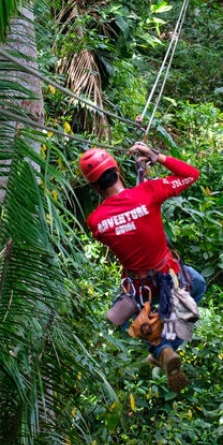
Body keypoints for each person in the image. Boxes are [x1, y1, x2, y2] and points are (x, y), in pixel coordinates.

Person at [80, 141, 206, 392]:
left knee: (124, 319)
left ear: (94, 187)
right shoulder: (148, 193)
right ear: (117, 171)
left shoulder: (96, 222)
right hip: (170, 277)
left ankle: (159, 349)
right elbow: (192, 174)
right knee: (199, 284)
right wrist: (155, 157)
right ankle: (166, 348)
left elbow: (127, 214)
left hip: (139, 289)